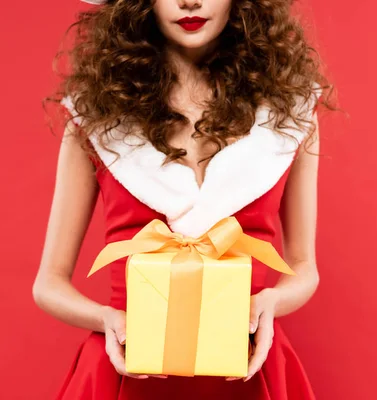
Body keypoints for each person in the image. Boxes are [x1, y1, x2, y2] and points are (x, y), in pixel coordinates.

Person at [34, 0, 334, 399]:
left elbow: (303, 266)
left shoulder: (288, 114)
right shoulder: (97, 117)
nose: (189, 1)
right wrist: (109, 320)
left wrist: (272, 302)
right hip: (126, 371)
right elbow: (48, 283)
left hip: (244, 370)